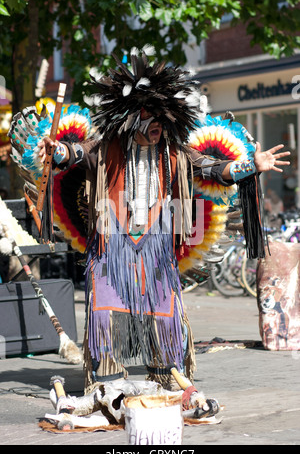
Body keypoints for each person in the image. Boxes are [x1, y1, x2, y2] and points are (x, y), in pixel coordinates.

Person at [35, 46, 290, 392]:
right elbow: (76, 152)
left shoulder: (174, 151)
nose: (156, 124)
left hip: (156, 248)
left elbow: (212, 168)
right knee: (106, 311)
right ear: (130, 117)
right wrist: (57, 151)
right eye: (149, 116)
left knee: (163, 312)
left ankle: (166, 372)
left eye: (161, 117)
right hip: (112, 246)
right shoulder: (107, 146)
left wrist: (250, 167)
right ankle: (107, 382)